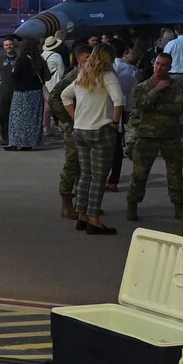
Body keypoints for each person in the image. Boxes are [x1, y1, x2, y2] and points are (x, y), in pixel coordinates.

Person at [59, 46, 127, 236]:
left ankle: (81, 216)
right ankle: (94, 220)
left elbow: (65, 96)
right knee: (99, 177)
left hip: (80, 131)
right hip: (100, 131)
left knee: (85, 175)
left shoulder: (82, 75)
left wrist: (76, 117)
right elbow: (119, 100)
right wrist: (114, 122)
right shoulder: (107, 75)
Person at [126, 53, 183, 222]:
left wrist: (154, 106)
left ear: (170, 67)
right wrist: (157, 90)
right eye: (158, 64)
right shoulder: (143, 86)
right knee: (140, 173)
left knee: (175, 174)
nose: (160, 68)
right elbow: (141, 104)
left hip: (171, 136)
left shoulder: (176, 87)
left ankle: (178, 206)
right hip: (147, 136)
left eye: (164, 65)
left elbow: (178, 108)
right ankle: (132, 204)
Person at [53, 43, 90, 218]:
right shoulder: (73, 76)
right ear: (78, 59)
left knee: (86, 168)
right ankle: (66, 202)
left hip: (88, 128)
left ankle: (82, 203)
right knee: (72, 165)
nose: (90, 61)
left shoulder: (92, 75)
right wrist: (70, 118)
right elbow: (54, 97)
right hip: (75, 128)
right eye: (86, 58)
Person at [107, 46, 139, 192]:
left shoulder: (99, 71)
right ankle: (113, 180)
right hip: (116, 115)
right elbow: (126, 98)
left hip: (98, 116)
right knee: (116, 149)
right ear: (124, 54)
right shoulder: (129, 71)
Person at [7, 42, 46, 151]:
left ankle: (15, 142)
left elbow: (15, 75)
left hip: (22, 92)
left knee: (18, 117)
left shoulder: (22, 59)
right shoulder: (39, 59)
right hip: (36, 92)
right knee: (32, 118)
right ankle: (28, 143)